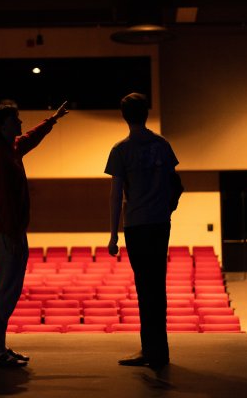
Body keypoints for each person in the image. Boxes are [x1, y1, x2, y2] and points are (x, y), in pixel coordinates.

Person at [0, 100, 69, 368]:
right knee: (4, 292)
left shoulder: (10, 150)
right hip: (7, 233)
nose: (20, 123)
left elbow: (30, 138)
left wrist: (52, 120)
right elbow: (4, 202)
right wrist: (13, 237)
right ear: (1, 126)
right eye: (15, 120)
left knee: (9, 292)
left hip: (13, 232)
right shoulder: (0, 159)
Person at [105, 92, 183, 368]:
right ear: (146, 114)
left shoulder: (121, 150)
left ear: (124, 116)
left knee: (144, 287)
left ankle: (150, 350)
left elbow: (116, 196)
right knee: (157, 286)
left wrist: (113, 235)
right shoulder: (162, 145)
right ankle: (158, 350)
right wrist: (166, 210)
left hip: (136, 226)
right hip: (159, 224)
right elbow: (177, 186)